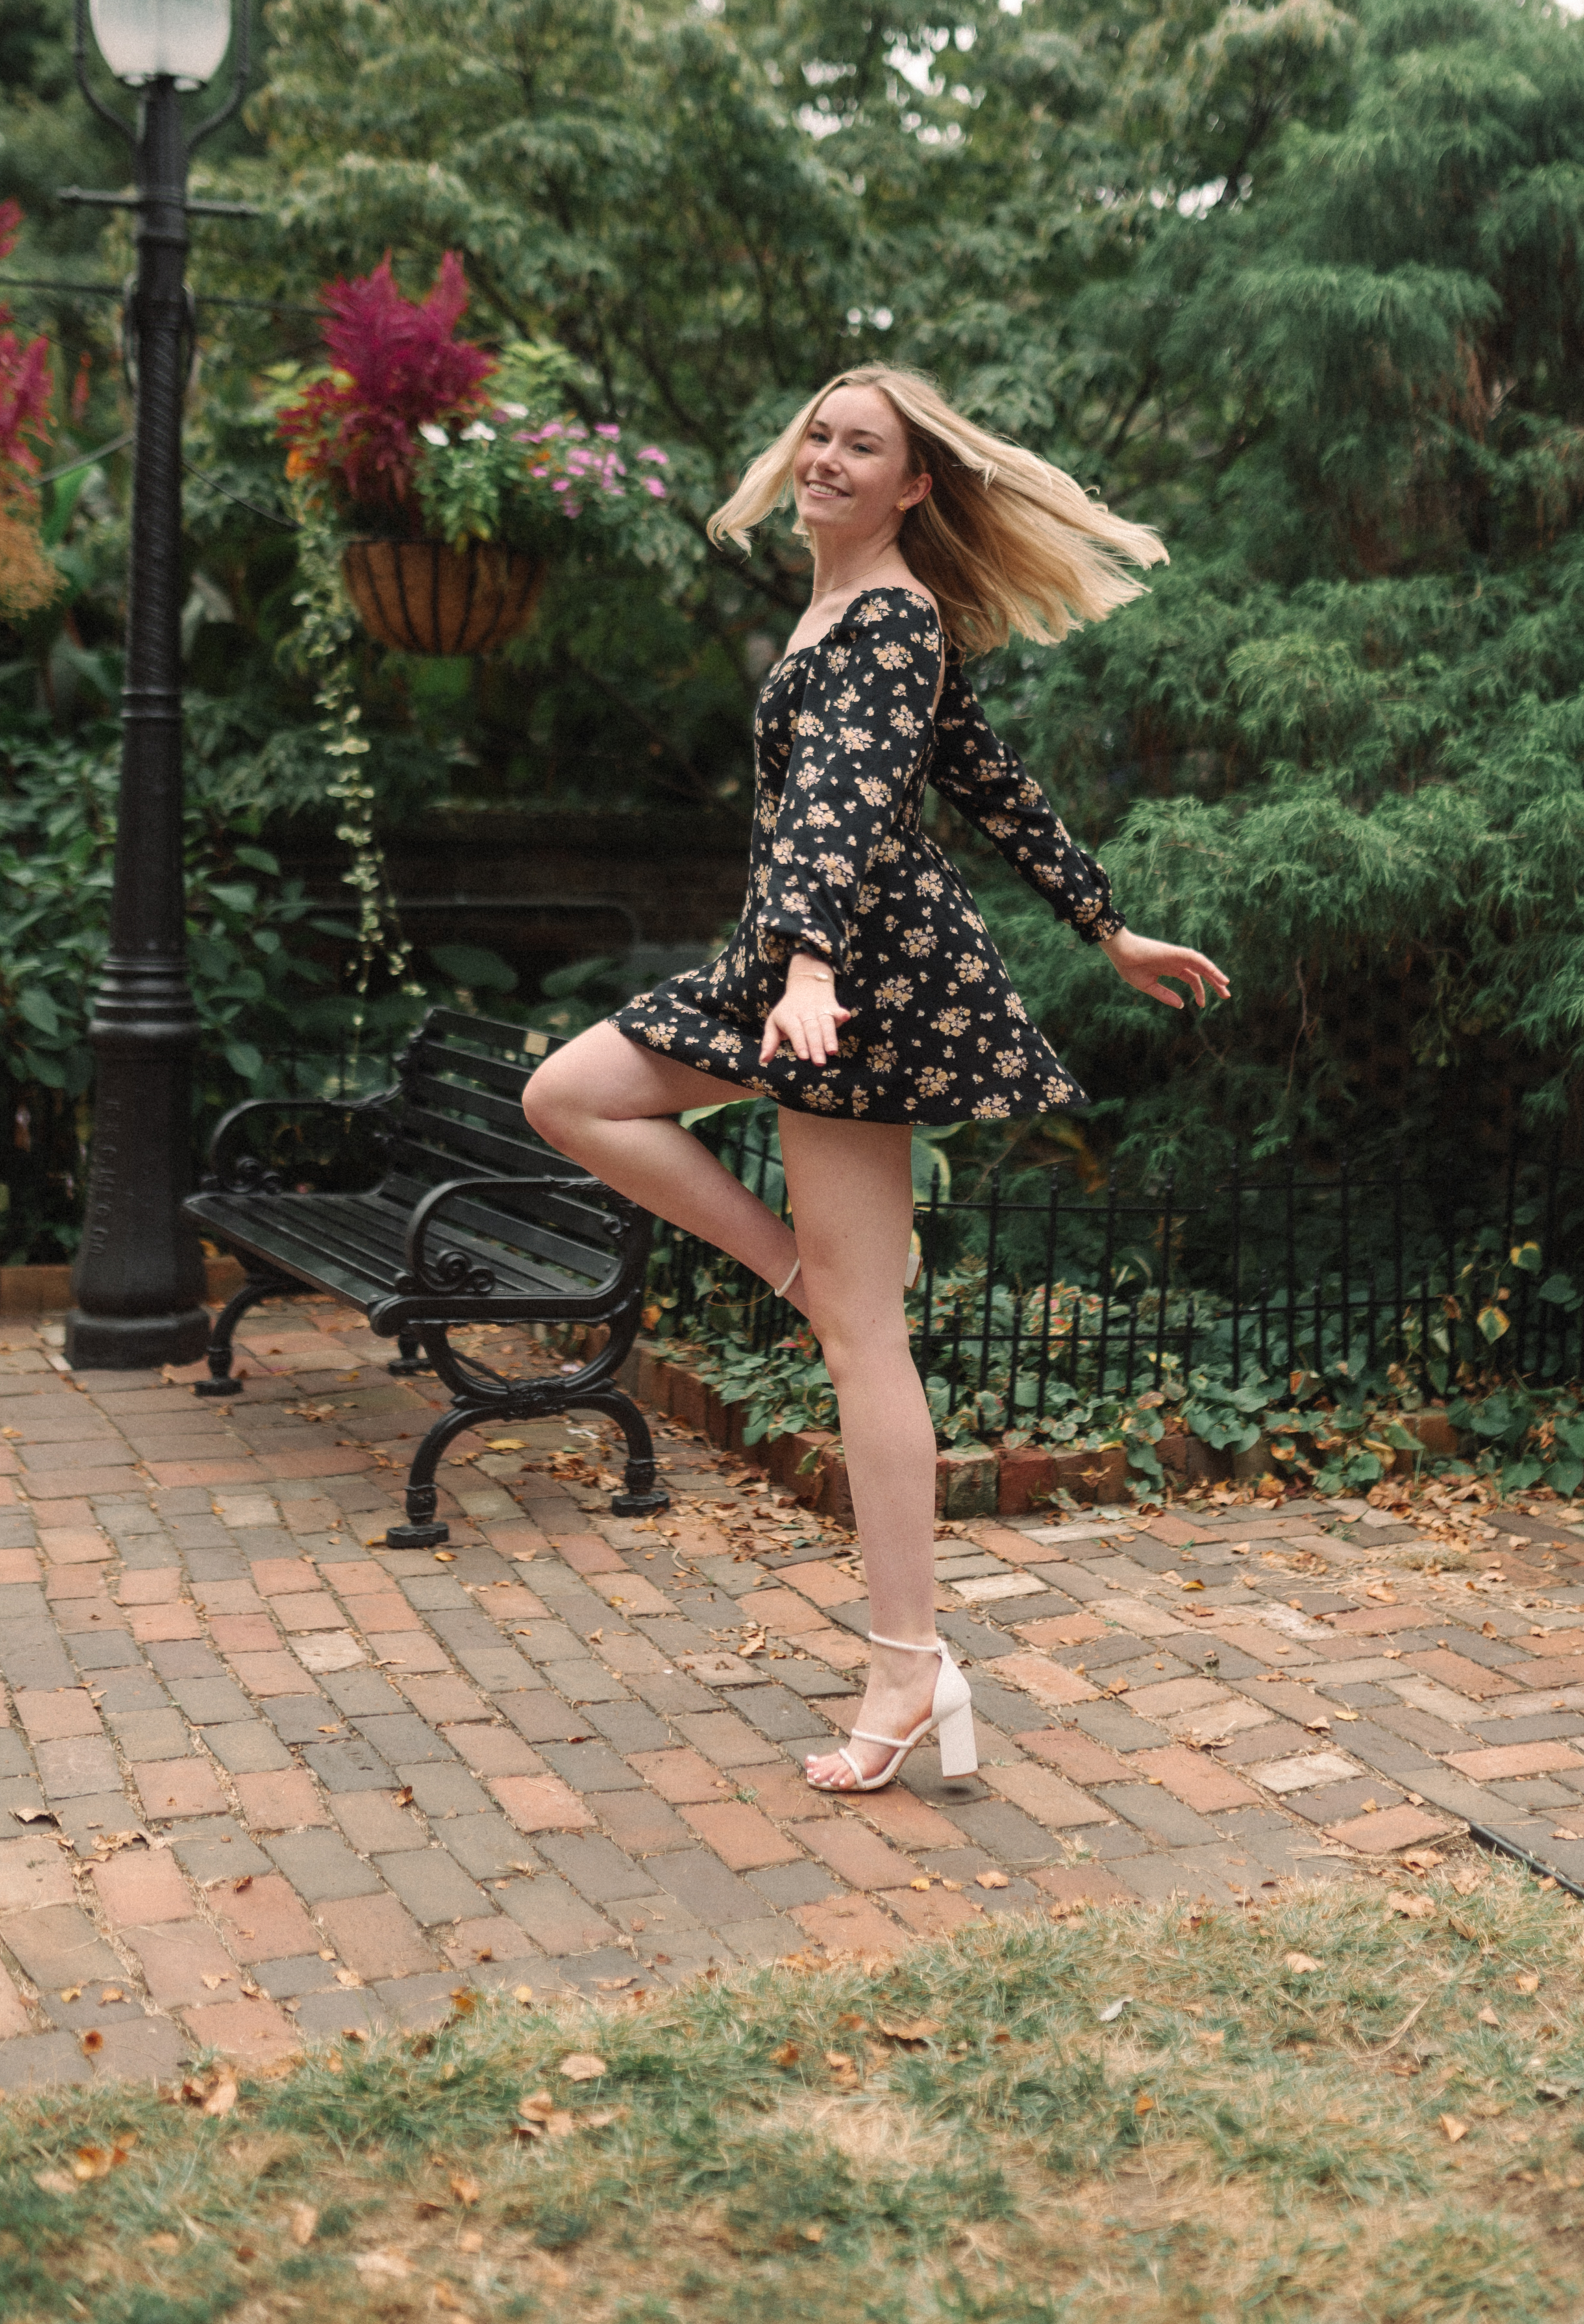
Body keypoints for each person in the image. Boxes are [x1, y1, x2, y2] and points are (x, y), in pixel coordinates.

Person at [523, 369, 1228, 1794]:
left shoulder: (892, 614)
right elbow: (990, 778)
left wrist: (806, 969)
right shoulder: (859, 613)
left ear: (914, 484)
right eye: (820, 439)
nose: (829, 461)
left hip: (855, 975)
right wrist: (1105, 922)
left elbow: (845, 801)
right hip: (806, 954)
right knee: (571, 1096)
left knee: (863, 1342)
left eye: (865, 448)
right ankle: (803, 1286)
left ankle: (907, 1667)